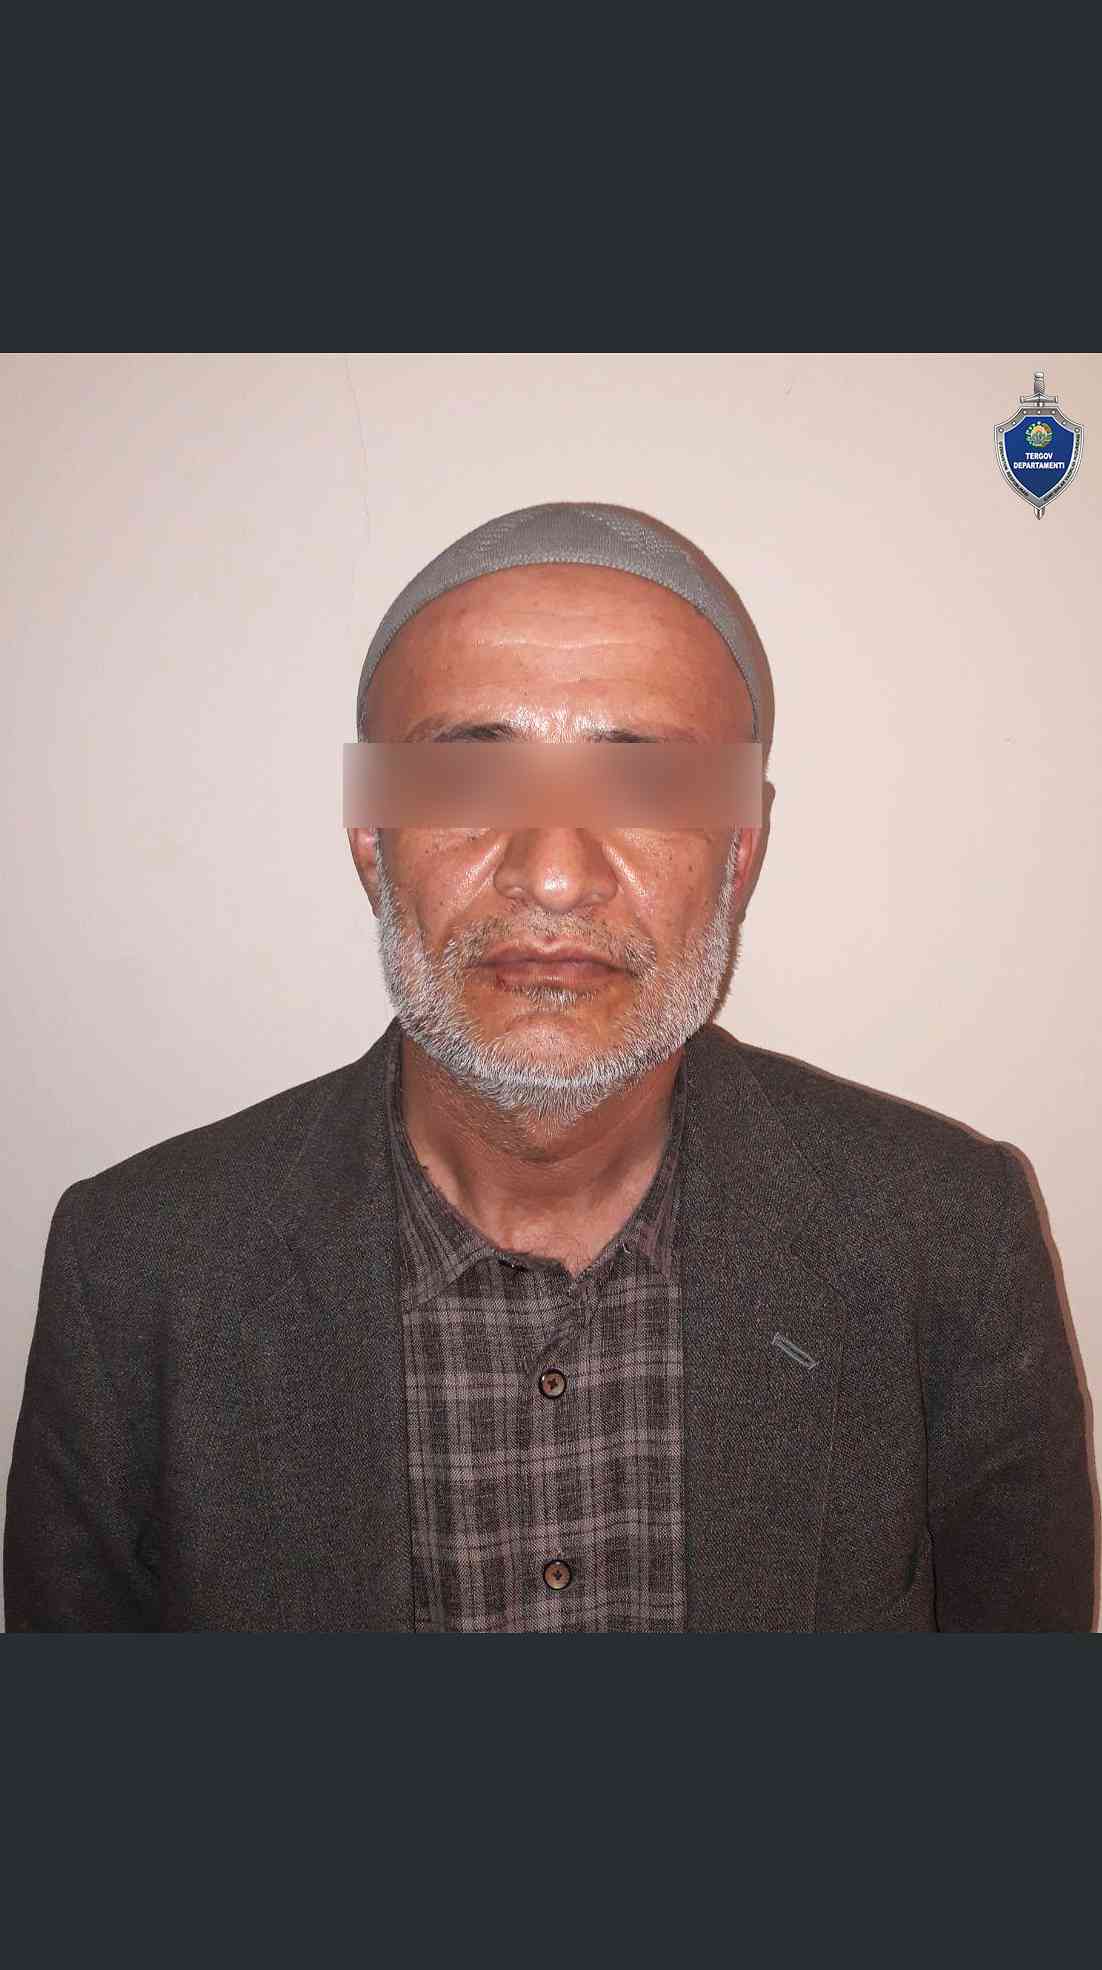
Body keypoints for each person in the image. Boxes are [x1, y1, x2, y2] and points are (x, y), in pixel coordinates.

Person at [4, 501, 1094, 1632]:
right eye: (470, 780)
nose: (557, 875)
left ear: (740, 850)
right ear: (369, 835)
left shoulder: (947, 1237)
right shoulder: (134, 1270)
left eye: (645, 785)